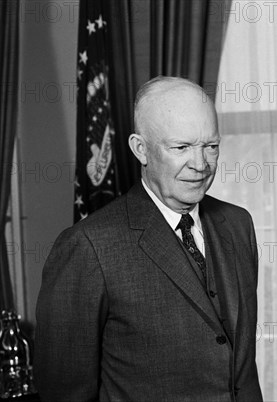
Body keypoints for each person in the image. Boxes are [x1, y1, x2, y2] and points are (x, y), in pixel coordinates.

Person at [35, 76, 263, 401]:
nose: (200, 165)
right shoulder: (88, 246)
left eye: (210, 147)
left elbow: (241, 367)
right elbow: (64, 392)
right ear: (140, 149)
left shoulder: (237, 225)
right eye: (180, 147)